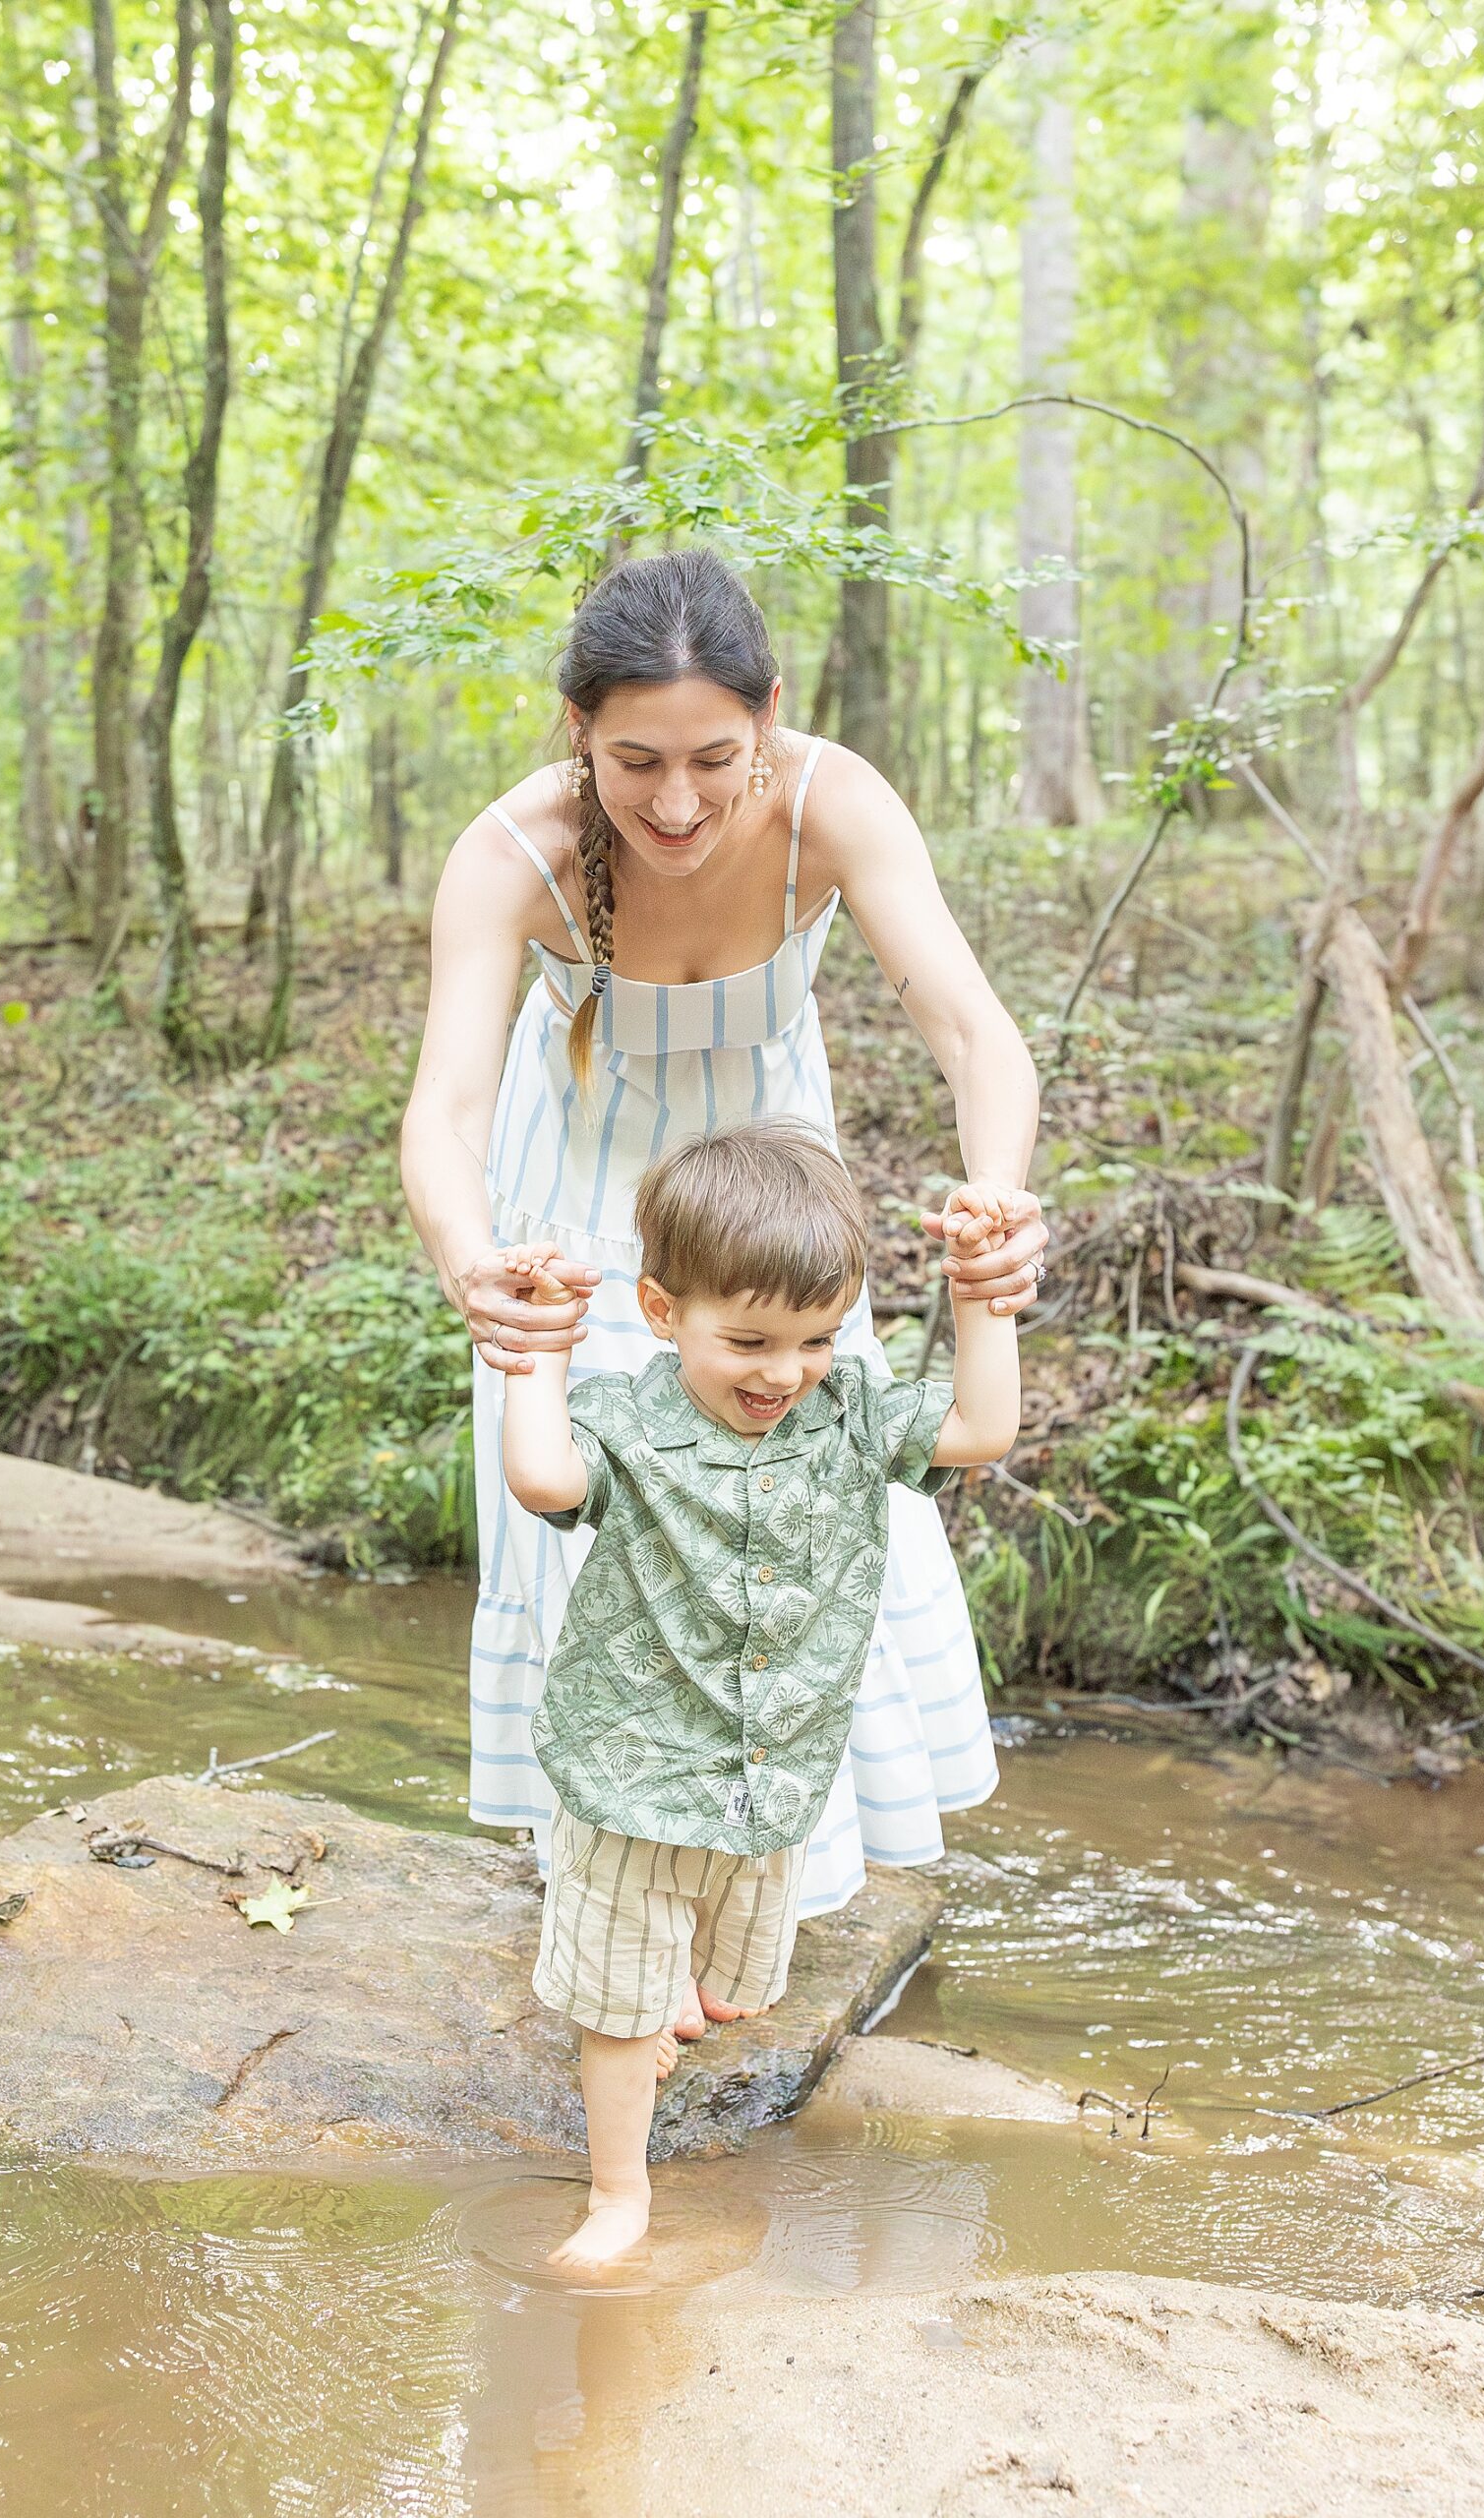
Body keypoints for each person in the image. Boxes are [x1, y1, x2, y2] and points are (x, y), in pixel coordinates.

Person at [399, 546, 1046, 2025]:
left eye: (709, 758)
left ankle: (769, 1877)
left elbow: (970, 1033)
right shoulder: (511, 854)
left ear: (771, 714)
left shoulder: (834, 805)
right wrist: (473, 1270)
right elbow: (438, 1110)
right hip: (574, 1194)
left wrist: (996, 1196)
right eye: (633, 763)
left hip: (770, 1196)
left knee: (804, 1497)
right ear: (574, 731)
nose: (676, 805)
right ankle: (614, 1883)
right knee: (595, 1515)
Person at [499, 1122, 1022, 2269]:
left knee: (734, 1986)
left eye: (816, 1339)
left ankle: (656, 2011)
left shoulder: (843, 1420)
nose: (782, 1372)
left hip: (767, 1780)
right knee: (621, 2011)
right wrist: (538, 1345)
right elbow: (543, 1475)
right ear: (659, 1308)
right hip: (634, 1772)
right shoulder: (633, 1424)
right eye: (747, 1340)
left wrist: (983, 1297)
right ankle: (618, 2194)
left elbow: (983, 1428)